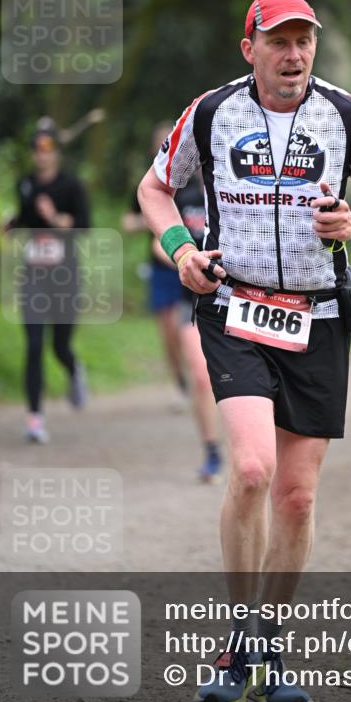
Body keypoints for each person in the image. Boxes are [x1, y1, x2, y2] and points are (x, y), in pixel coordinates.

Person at [137, 0, 351, 702]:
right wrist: (179, 251)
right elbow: (155, 188)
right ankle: (235, 640)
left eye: (303, 41)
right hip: (236, 307)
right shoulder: (212, 111)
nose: (293, 55)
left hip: (319, 320)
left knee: (295, 496)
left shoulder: (347, 115)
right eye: (279, 41)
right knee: (254, 469)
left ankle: (269, 643)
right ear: (249, 48)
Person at [123, 128, 222, 482]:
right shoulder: (182, 197)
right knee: (200, 375)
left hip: (236, 301)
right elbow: (157, 243)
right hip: (191, 301)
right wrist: (187, 260)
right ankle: (212, 452)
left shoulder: (233, 197)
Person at [5, 120, 90, 443]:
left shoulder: (71, 186)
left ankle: (73, 368)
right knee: (34, 344)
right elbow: (24, 219)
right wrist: (12, 225)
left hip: (64, 276)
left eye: (47, 148)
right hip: (33, 276)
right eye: (36, 149)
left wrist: (56, 218)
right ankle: (35, 418)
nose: (41, 155)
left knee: (59, 346)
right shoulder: (25, 184)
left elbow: (84, 227)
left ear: (56, 152)